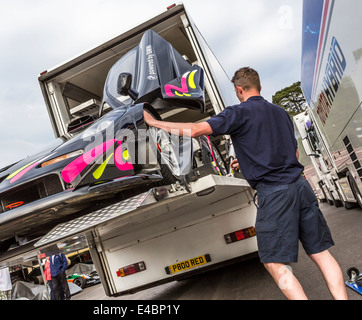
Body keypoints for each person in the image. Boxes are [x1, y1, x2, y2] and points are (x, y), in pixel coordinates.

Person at [143, 67, 348, 300]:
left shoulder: (238, 113)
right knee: (321, 253)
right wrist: (250, 161)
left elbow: (196, 130)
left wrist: (156, 124)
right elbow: (291, 151)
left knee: (273, 261)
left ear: (239, 89)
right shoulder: (280, 113)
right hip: (300, 186)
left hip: (275, 194)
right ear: (258, 86)